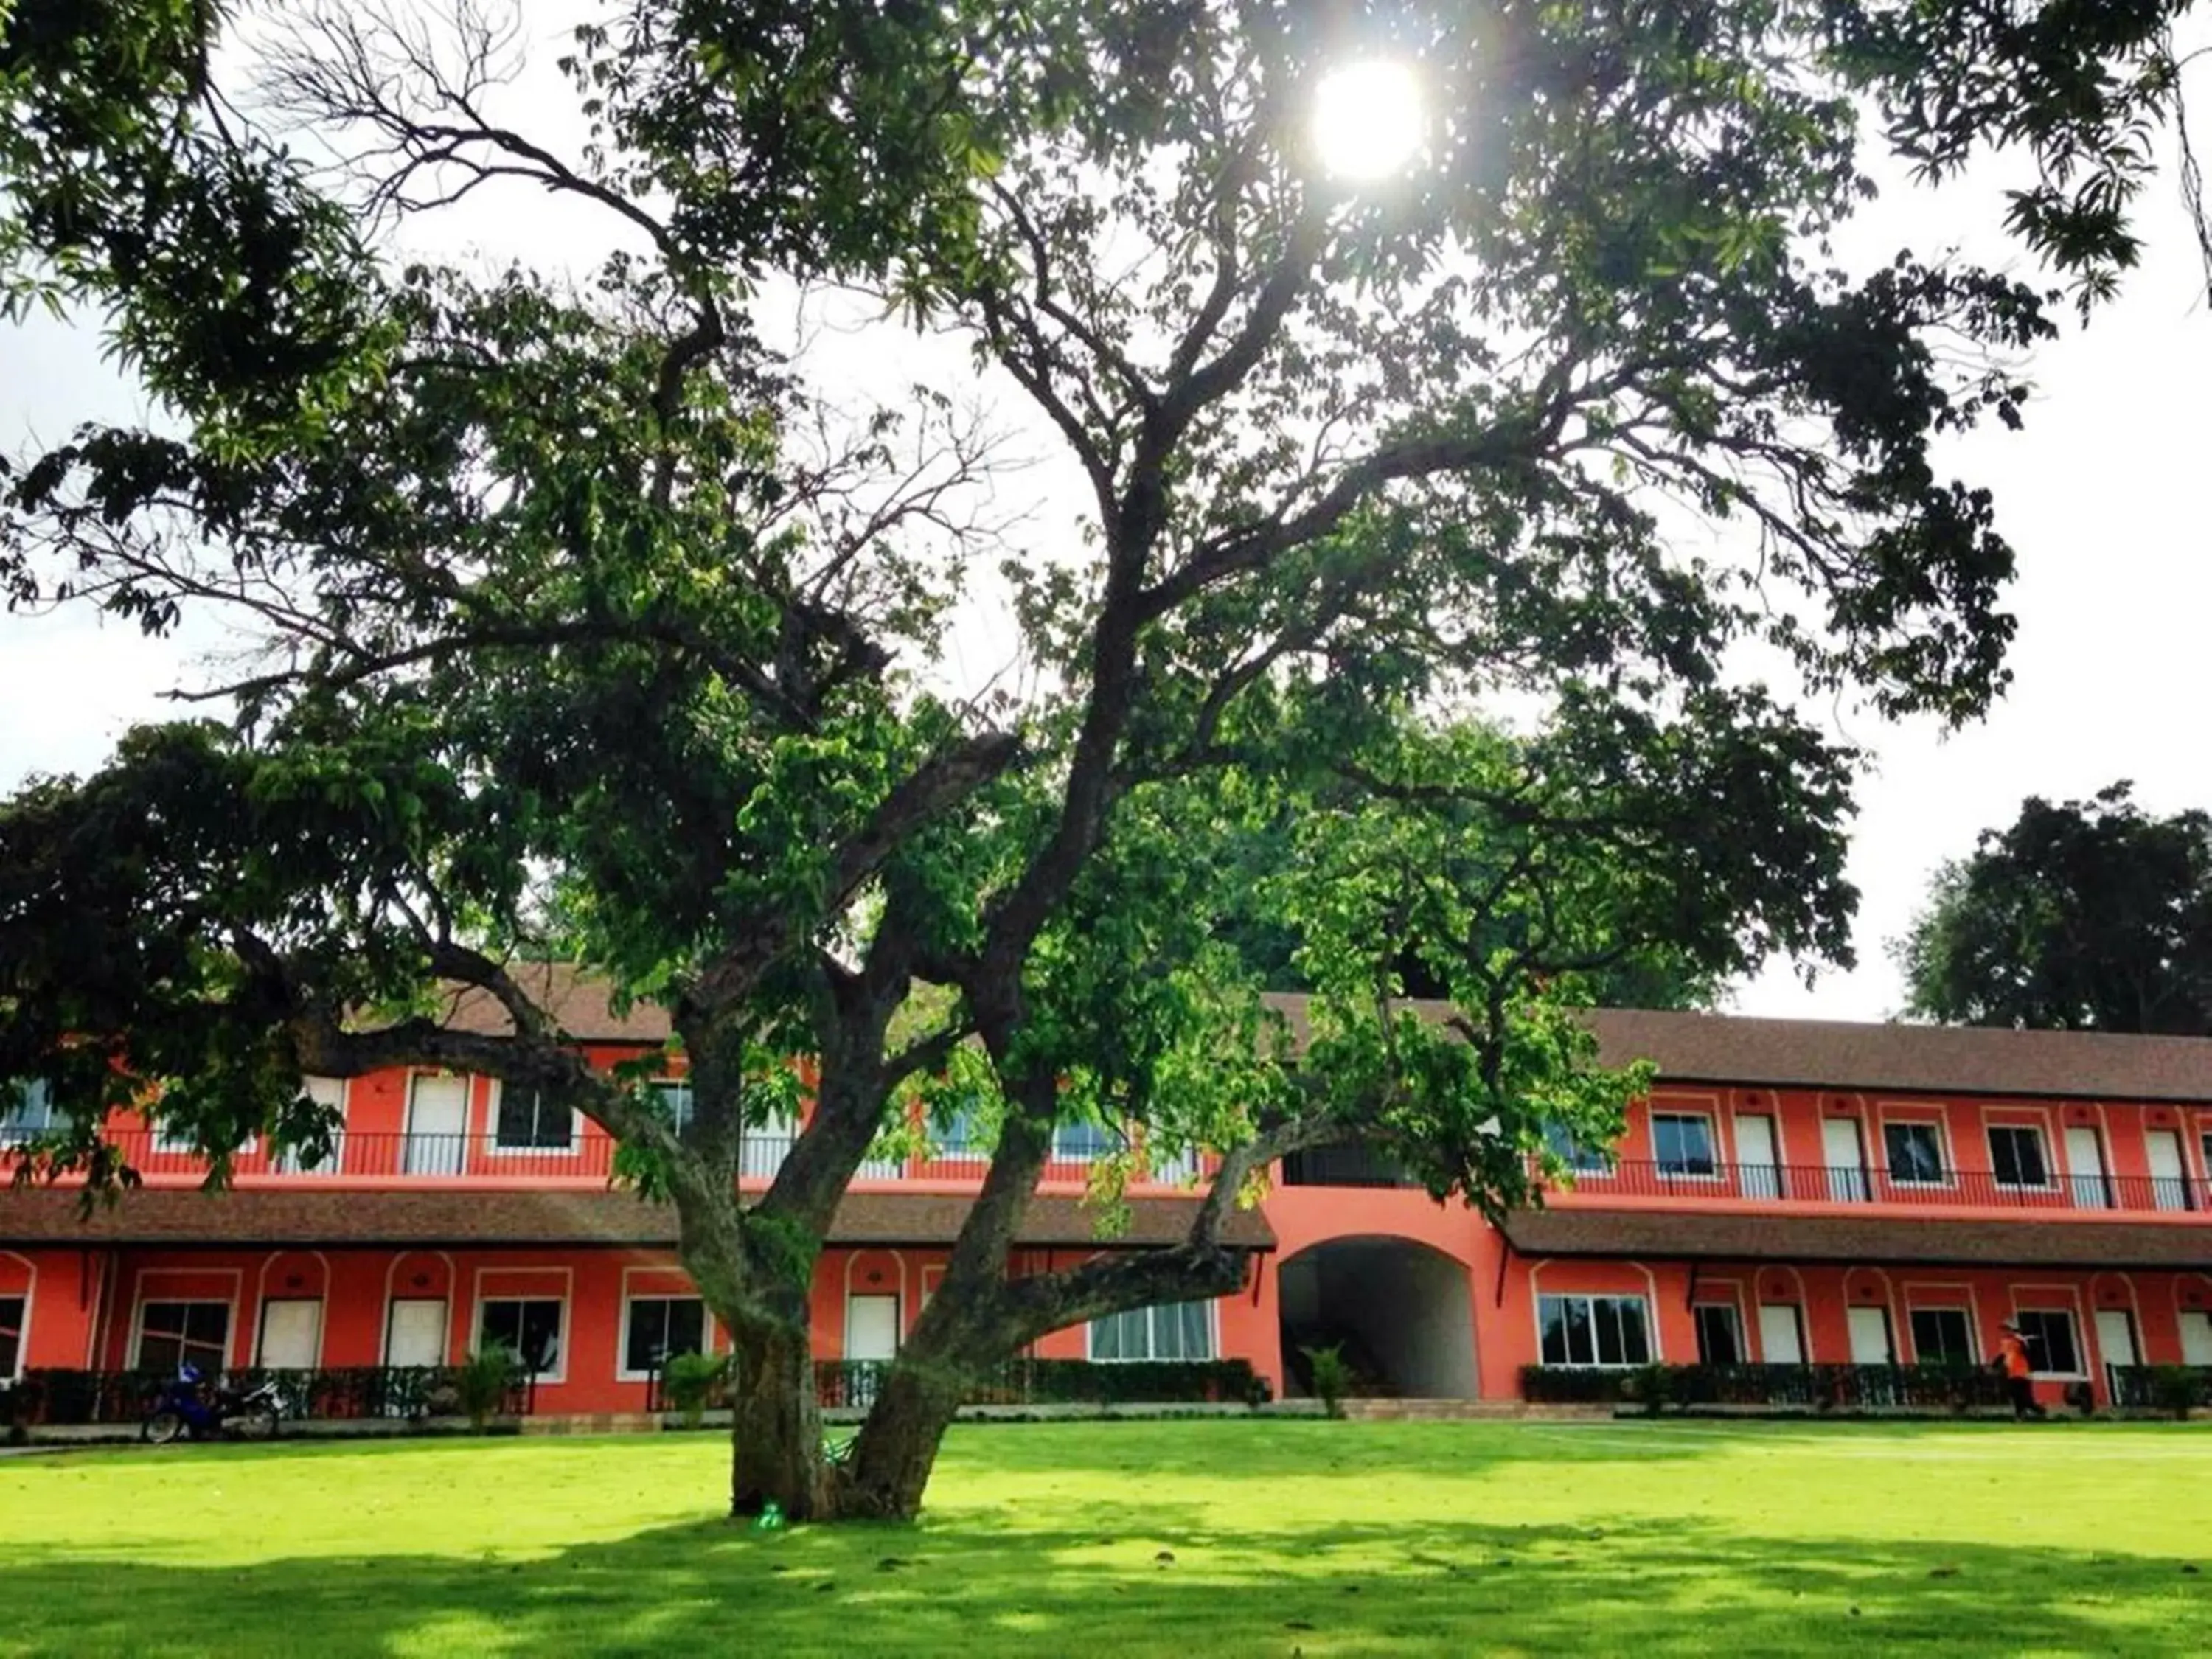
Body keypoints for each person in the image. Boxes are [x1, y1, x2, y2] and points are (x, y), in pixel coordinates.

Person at [1992, 1319, 2044, 1419]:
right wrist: (1994, 1365)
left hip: (2022, 1373)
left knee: (2026, 1398)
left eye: (2006, 1329)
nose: (2004, 1332)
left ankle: (2040, 1411)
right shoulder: (2006, 1342)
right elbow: (2003, 1355)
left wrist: (2022, 1341)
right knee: (2016, 1396)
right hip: (2012, 1373)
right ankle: (2020, 1415)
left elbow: (2028, 1353)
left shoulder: (2020, 1342)